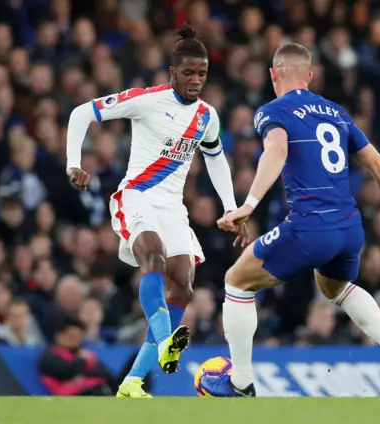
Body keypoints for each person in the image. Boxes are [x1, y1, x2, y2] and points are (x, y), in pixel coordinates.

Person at [217, 43, 380, 397]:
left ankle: (240, 382)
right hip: (350, 228)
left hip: (311, 225)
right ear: (310, 76)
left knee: (237, 281)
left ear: (273, 74)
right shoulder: (337, 112)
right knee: (335, 288)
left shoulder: (272, 110)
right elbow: (379, 165)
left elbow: (276, 150)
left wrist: (250, 203)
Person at [65, 24, 248, 398]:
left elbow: (215, 159)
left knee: (183, 281)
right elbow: (81, 112)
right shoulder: (147, 100)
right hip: (137, 196)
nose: (196, 80)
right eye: (188, 73)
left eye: (202, 73)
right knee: (153, 254)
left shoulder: (207, 117)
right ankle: (167, 341)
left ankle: (132, 381)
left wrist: (233, 207)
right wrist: (73, 162)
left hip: (172, 206)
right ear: (172, 73)